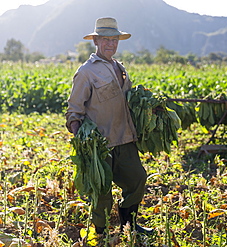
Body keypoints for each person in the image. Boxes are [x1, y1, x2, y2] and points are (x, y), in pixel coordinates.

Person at [65, 17, 152, 235]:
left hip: (125, 138)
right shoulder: (86, 72)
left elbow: (127, 100)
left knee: (137, 178)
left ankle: (128, 223)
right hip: (100, 143)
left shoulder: (120, 67)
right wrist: (82, 144)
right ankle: (101, 231)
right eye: (106, 40)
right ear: (96, 41)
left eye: (114, 40)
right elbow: (74, 111)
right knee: (102, 189)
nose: (111, 44)